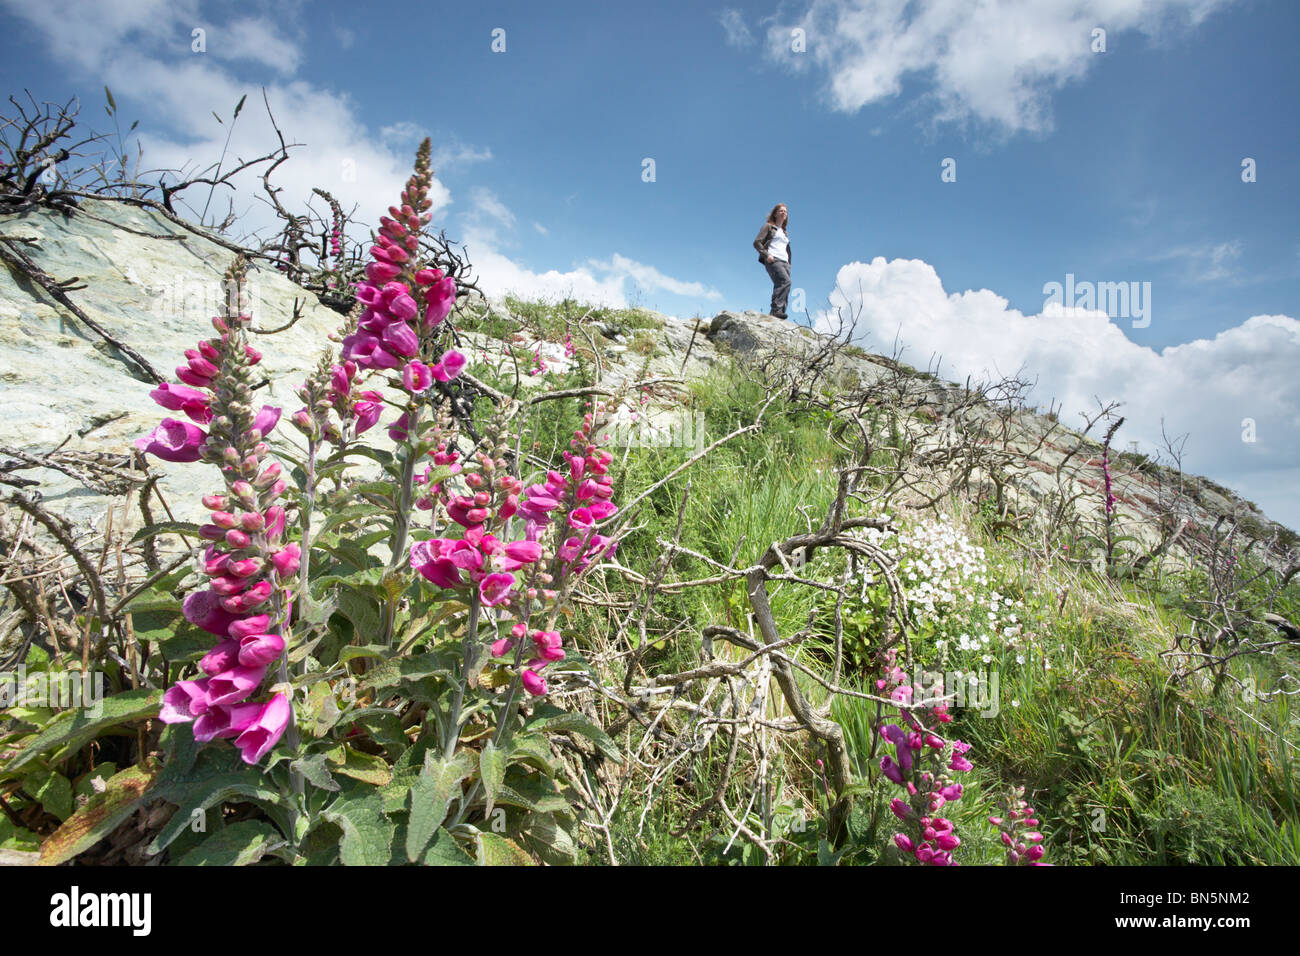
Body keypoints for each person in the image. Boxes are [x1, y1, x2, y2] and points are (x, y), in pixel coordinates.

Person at [754, 203, 791, 319]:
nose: (783, 213)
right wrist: (767, 255)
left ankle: (779, 313)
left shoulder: (784, 232)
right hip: (773, 259)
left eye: (785, 211)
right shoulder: (769, 227)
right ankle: (776, 311)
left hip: (785, 262)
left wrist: (789, 263)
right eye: (781, 211)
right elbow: (757, 242)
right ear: (775, 214)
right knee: (785, 282)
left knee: (785, 285)